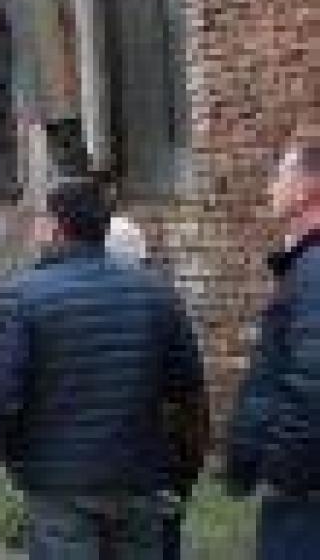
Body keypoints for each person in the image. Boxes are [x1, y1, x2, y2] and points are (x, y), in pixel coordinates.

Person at [0, 177, 207, 560]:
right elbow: (189, 399)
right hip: (138, 479)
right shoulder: (158, 295)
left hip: (59, 485)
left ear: (55, 225)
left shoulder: (22, 297)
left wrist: (19, 458)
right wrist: (177, 472)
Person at [225, 137, 320, 560]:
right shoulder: (304, 266)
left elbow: (311, 385)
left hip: (304, 498)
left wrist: (281, 473)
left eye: (278, 176)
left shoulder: (315, 270)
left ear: (306, 190)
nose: (269, 189)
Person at [103, 212, 193, 560]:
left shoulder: (61, 298)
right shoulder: (165, 302)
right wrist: (184, 471)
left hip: (76, 476)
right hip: (153, 468)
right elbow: (189, 396)